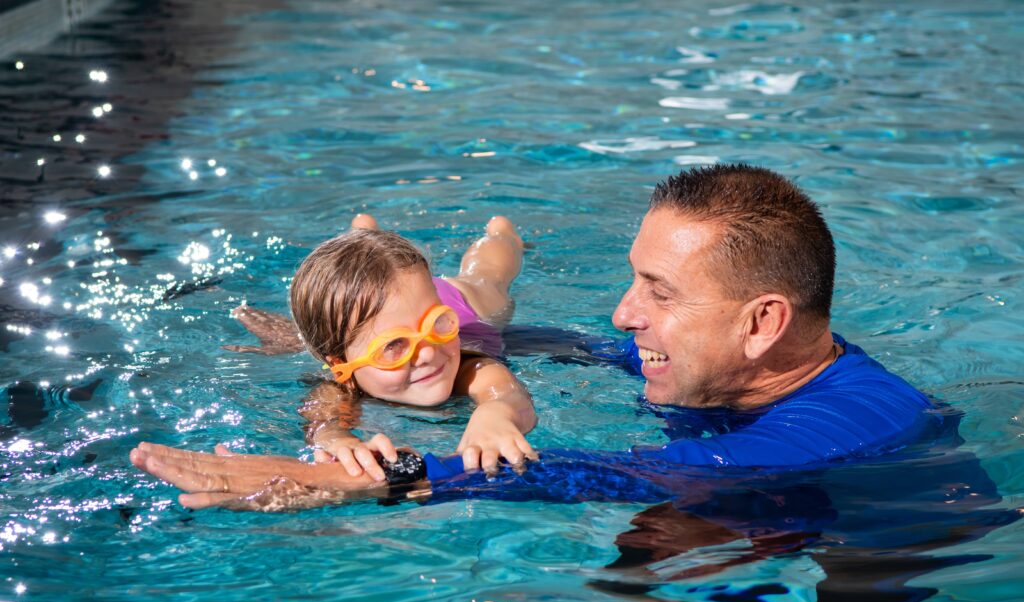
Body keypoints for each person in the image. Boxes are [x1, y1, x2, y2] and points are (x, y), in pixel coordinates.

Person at [130, 163, 947, 503]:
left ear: (763, 321)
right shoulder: (735, 366)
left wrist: (380, 478)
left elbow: (608, 474)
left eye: (657, 293)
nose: (624, 314)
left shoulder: (851, 428)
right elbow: (578, 347)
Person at [224, 213, 537, 485]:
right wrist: (339, 440)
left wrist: (496, 414)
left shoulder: (471, 368)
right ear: (341, 366)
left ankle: (501, 235)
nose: (427, 352)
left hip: (465, 302)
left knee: (487, 278)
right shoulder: (338, 386)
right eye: (394, 346)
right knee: (300, 341)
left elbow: (507, 393)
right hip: (393, 311)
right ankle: (363, 234)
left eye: (435, 326)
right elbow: (322, 422)